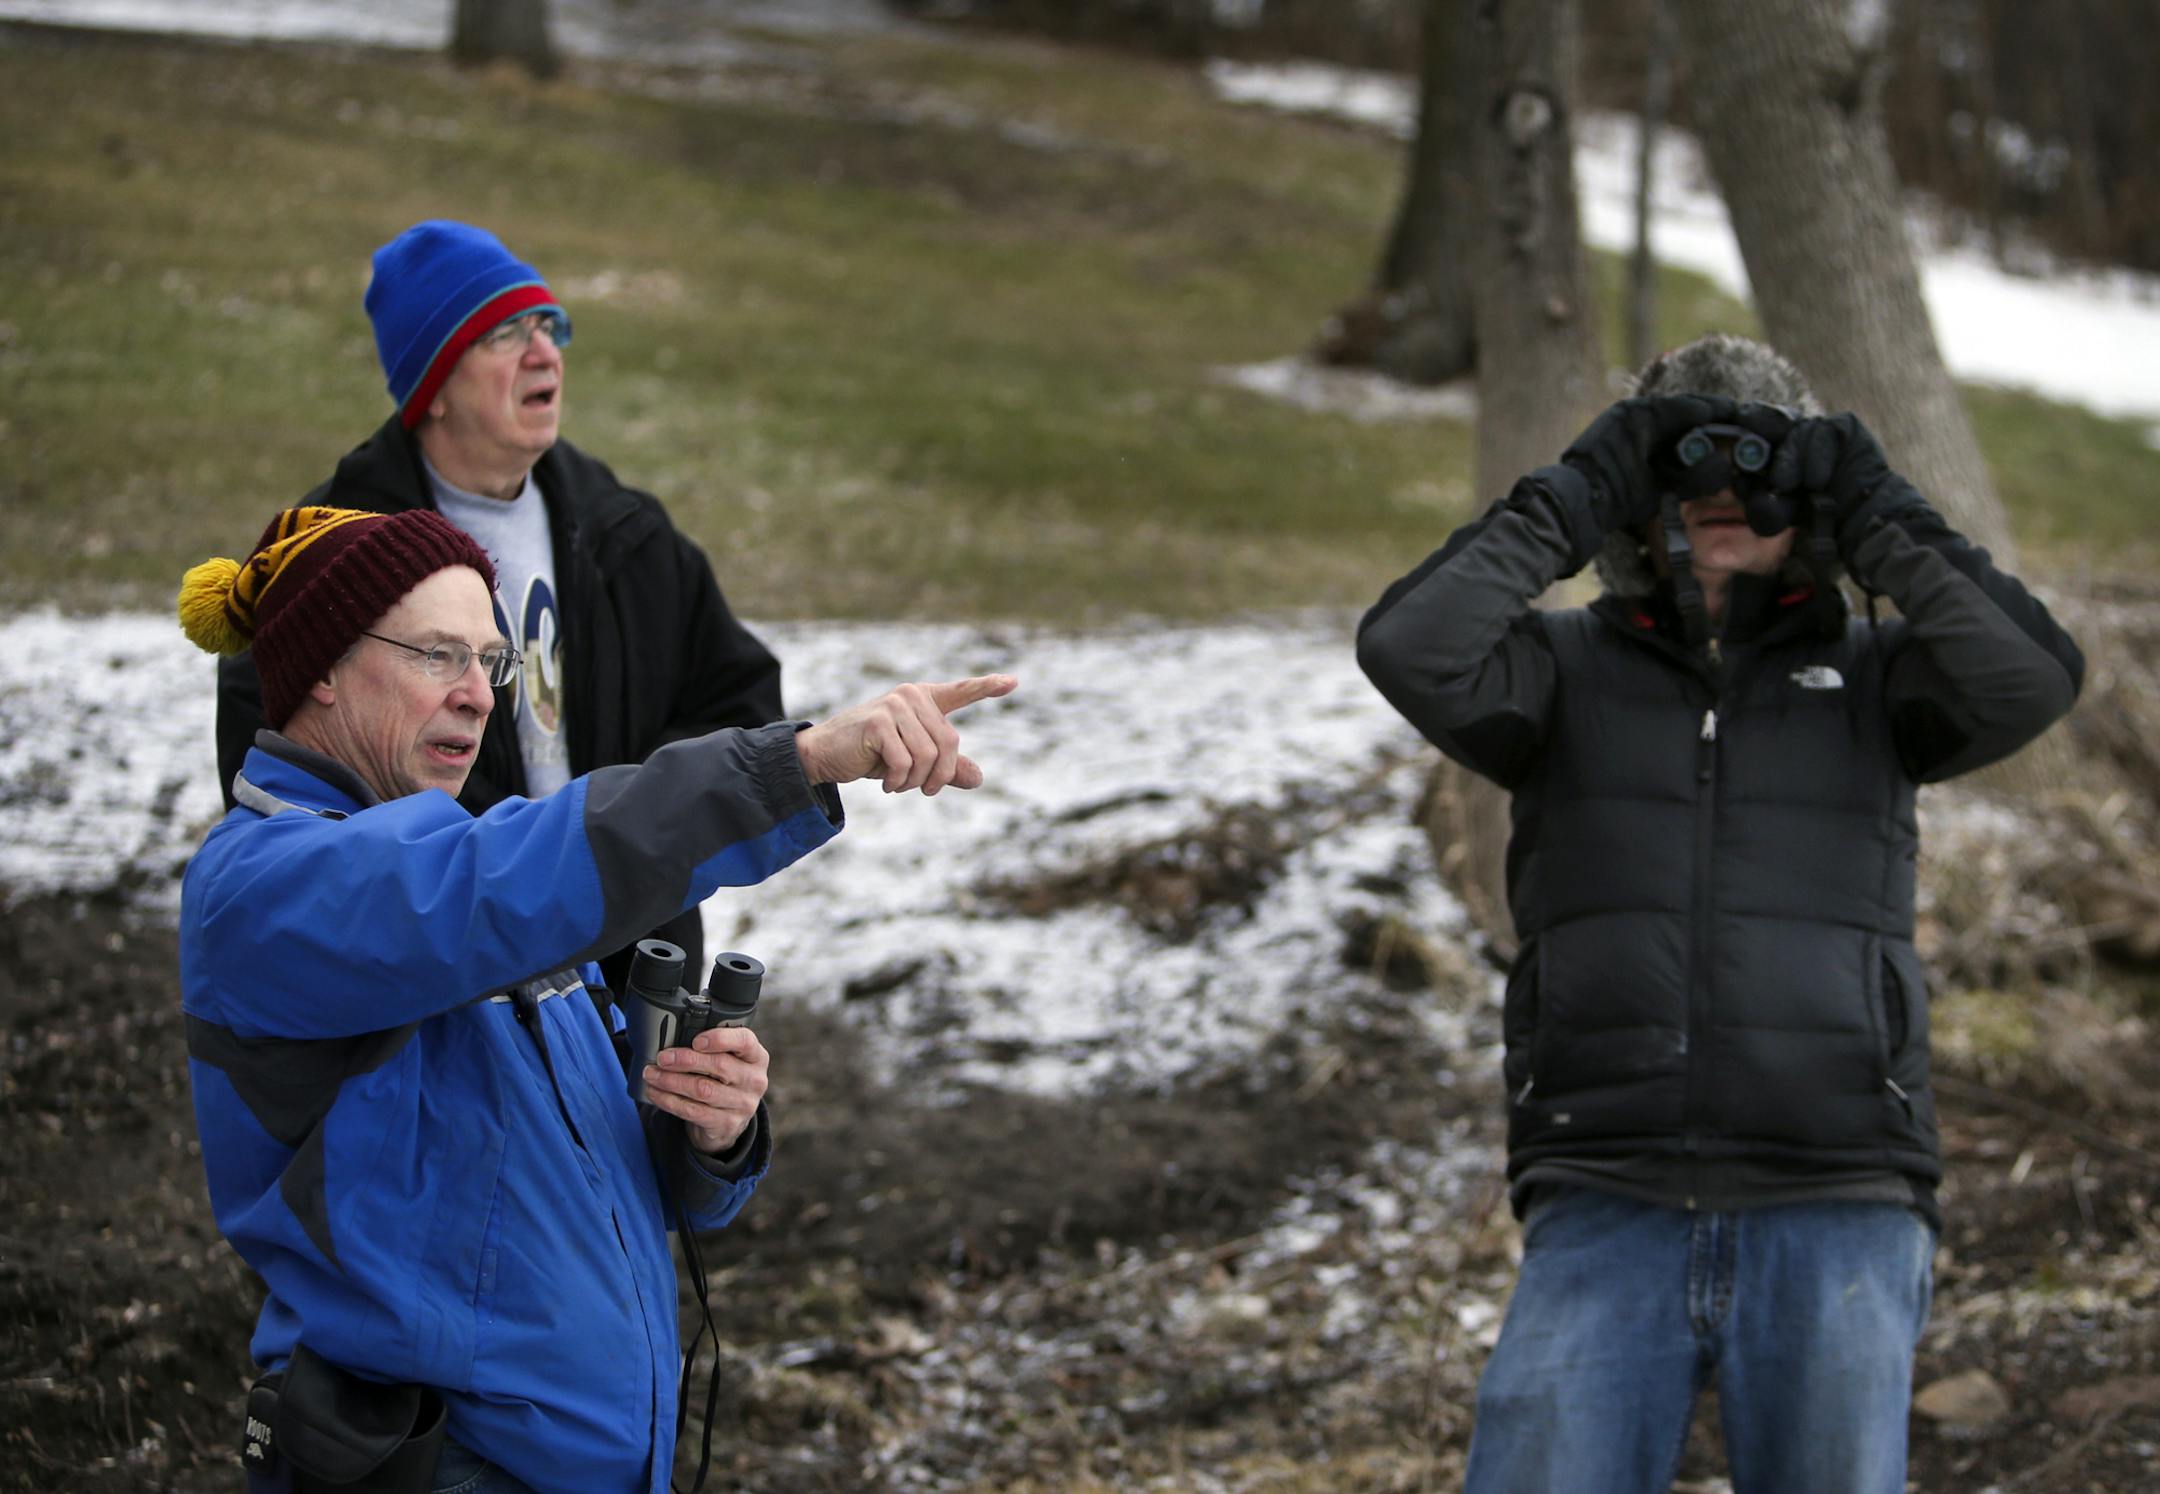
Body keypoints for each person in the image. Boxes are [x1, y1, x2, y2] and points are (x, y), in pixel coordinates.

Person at [1356, 334, 2083, 1493]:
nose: (1722, 497)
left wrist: (1869, 500)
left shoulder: (1881, 675)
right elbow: (1408, 644)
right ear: (1644, 501)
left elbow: (2033, 679)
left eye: (1761, 470)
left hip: (1840, 1187)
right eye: (1687, 470)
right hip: (1608, 1187)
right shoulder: (1560, 670)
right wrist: (1592, 479)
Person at [176, 505, 1014, 1494]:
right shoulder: (275, 882)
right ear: (320, 666)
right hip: (450, 1463)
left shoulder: (451, 874)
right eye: (436, 655)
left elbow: (621, 1182)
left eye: (487, 663)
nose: (475, 697)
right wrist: (801, 762)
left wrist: (709, 1132)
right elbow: (518, 875)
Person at [216, 219, 778, 993]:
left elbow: (739, 697)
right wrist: (496, 871)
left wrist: (634, 817)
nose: (545, 351)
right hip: (450, 972)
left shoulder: (625, 531)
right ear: (433, 388)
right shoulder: (327, 560)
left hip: (637, 953)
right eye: (505, 333)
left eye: (549, 326)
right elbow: (281, 780)